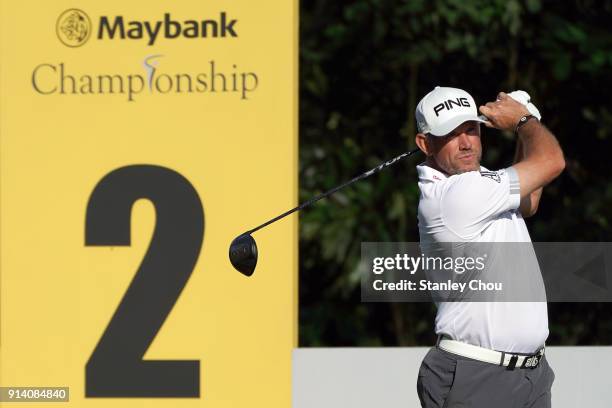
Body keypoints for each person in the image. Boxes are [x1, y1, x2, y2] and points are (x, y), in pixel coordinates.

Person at [414, 86, 565, 408]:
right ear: (424, 144)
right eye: (451, 135)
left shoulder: (480, 182)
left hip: (530, 375)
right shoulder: (454, 197)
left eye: (471, 130)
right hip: (478, 377)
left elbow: (529, 201)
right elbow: (551, 161)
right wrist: (524, 120)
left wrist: (527, 118)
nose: (466, 143)